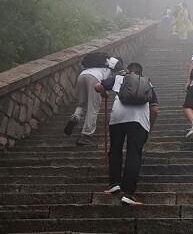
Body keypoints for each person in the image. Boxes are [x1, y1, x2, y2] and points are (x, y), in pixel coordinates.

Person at [95, 62, 159, 206]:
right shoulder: (148, 83)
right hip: (139, 120)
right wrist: (150, 127)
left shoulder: (119, 78)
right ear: (141, 73)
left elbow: (97, 86)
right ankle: (129, 193)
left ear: (128, 70)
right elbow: (154, 110)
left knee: (115, 149)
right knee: (134, 153)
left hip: (118, 117)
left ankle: (114, 184)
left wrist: (104, 93)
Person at [64, 54, 122, 145]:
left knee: (82, 105)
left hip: (82, 76)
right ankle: (86, 135)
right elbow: (115, 79)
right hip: (94, 78)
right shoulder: (115, 63)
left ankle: (75, 118)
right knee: (93, 107)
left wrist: (104, 93)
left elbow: (102, 87)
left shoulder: (103, 62)